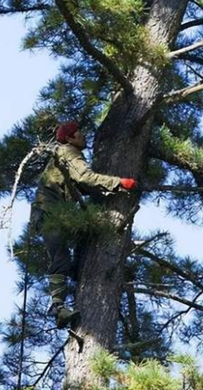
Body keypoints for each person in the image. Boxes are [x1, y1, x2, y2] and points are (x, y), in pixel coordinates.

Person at [30, 121, 137, 329]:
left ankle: (77, 270)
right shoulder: (69, 152)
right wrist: (119, 182)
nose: (83, 135)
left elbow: (80, 184)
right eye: (79, 132)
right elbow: (85, 178)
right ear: (70, 138)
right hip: (51, 213)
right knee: (60, 257)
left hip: (53, 213)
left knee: (81, 238)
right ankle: (58, 307)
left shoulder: (64, 154)